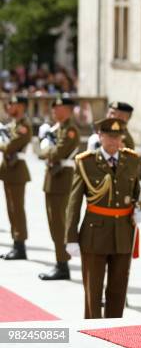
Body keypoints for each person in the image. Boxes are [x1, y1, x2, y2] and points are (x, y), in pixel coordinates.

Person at [64, 118, 141, 318]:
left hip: (123, 232)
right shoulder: (86, 162)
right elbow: (74, 203)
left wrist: (139, 207)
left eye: (117, 137)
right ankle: (92, 330)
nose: (113, 141)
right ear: (100, 136)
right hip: (95, 233)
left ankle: (114, 329)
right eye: (109, 136)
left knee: (118, 289)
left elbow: (137, 190)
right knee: (93, 290)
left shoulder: (131, 160)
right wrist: (70, 237)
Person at [38, 95, 81, 281]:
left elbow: (57, 153)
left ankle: (62, 265)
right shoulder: (58, 129)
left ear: (68, 110)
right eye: (53, 108)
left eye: (58, 108)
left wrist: (45, 147)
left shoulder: (70, 130)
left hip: (62, 180)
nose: (54, 110)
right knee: (53, 223)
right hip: (53, 180)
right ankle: (60, 262)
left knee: (59, 224)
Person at [0, 95, 32, 260]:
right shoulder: (12, 125)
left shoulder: (23, 126)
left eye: (12, 104)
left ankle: (20, 245)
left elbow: (10, 146)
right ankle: (16, 243)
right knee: (11, 210)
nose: (9, 106)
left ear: (21, 106)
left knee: (17, 210)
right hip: (7, 171)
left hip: (17, 172)